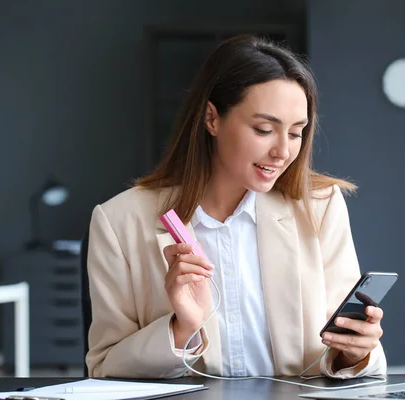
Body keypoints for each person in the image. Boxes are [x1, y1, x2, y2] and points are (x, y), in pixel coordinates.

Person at [85, 34, 387, 379]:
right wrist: (181, 328)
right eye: (264, 129)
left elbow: (350, 356)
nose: (282, 152)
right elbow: (103, 367)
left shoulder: (320, 207)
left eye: (295, 133)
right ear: (212, 119)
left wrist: (356, 353)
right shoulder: (119, 221)